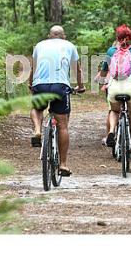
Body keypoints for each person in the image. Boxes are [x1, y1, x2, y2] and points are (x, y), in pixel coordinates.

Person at [28, 25, 85, 176]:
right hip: (60, 86)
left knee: (37, 108)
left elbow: (33, 68)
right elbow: (77, 70)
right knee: (63, 126)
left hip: (40, 85)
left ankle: (38, 130)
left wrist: (30, 84)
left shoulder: (39, 45)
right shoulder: (69, 46)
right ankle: (63, 165)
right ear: (64, 36)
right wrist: (80, 86)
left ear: (49, 36)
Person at [99, 24, 131, 156]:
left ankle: (111, 132)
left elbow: (103, 73)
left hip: (114, 87)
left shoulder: (110, 51)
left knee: (114, 110)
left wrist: (103, 80)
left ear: (117, 37)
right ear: (130, 37)